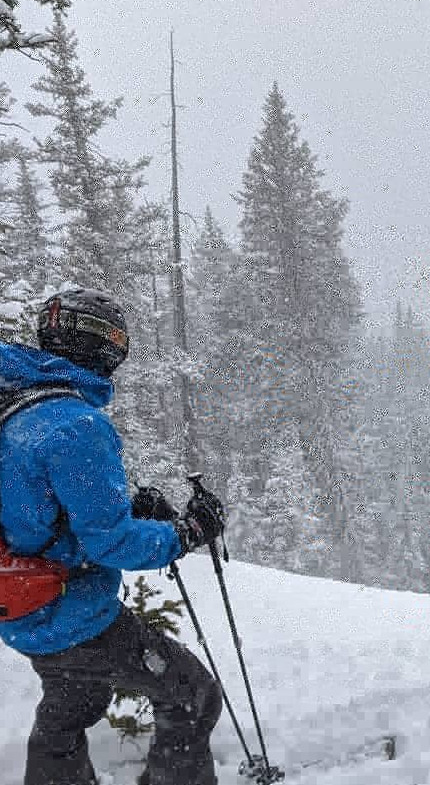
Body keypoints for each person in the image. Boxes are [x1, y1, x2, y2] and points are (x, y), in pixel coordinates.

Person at [0, 287, 225, 785]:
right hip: (71, 611)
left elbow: (33, 502)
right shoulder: (75, 425)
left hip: (20, 605)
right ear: (103, 350)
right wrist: (187, 533)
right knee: (192, 695)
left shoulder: (14, 400)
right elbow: (111, 544)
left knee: (72, 701)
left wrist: (125, 507)